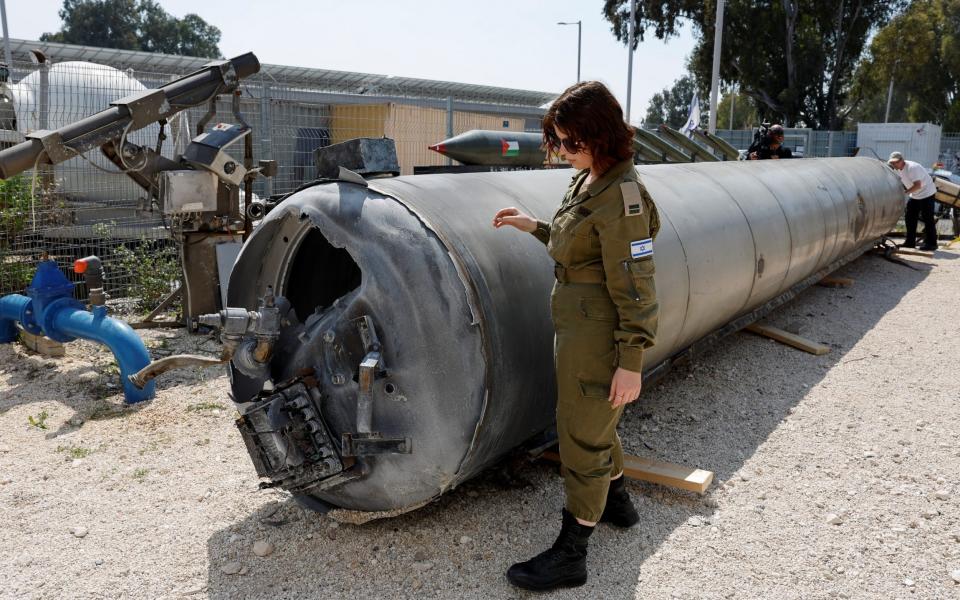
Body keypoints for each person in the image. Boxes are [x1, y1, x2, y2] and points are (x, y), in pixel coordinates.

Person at [491, 81, 659, 591]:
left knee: (581, 432)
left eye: (569, 142)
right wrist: (535, 227)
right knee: (593, 419)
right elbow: (578, 245)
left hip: (600, 332)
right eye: (557, 141)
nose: (561, 151)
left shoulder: (622, 198)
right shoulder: (591, 180)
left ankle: (572, 553)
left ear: (600, 136)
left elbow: (636, 288)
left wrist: (631, 360)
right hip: (578, 323)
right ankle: (618, 505)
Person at [888, 151, 939, 251]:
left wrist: (904, 193)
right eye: (892, 162)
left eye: (896, 162)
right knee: (910, 217)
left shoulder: (912, 168)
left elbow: (917, 185)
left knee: (928, 218)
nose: (894, 164)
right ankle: (910, 242)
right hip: (915, 195)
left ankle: (932, 243)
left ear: (902, 160)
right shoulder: (897, 169)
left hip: (927, 194)